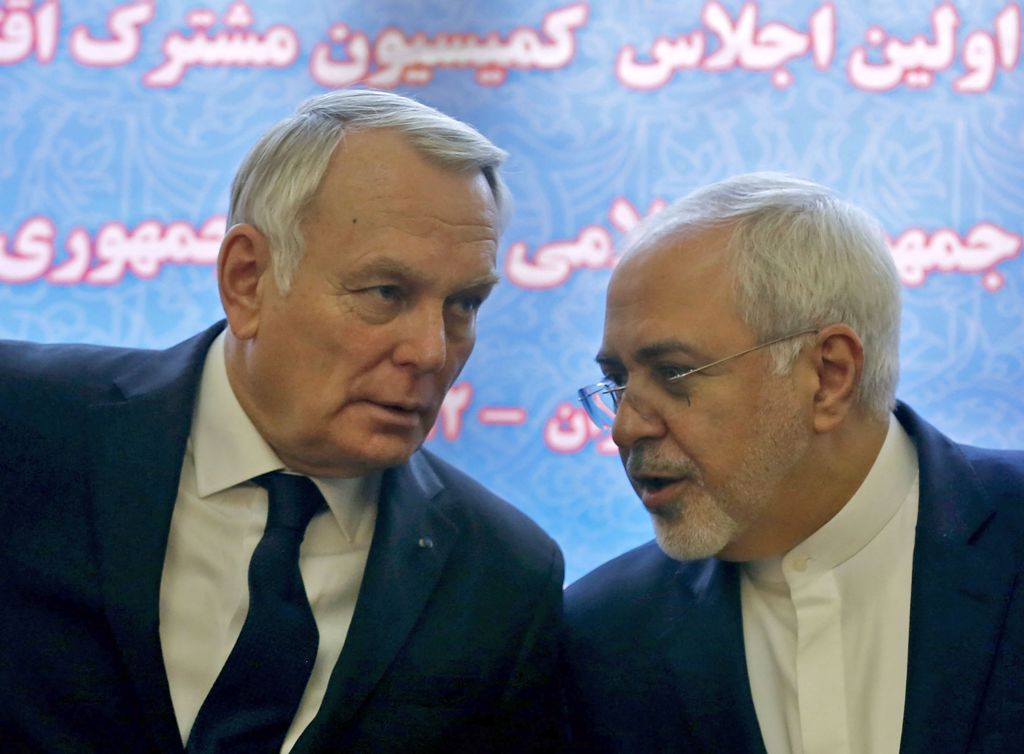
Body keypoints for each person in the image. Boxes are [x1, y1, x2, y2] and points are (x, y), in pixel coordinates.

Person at [0, 90, 564, 753]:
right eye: (386, 293)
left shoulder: (501, 576)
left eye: (465, 304)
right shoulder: (25, 427)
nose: (431, 351)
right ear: (248, 280)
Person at [563, 172, 1023, 753]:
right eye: (617, 381)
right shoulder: (601, 635)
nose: (626, 427)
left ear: (830, 375)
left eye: (674, 373)